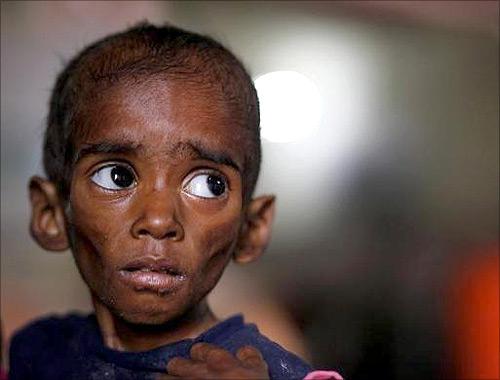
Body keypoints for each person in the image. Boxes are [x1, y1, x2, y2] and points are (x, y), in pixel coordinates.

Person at [8, 23, 342, 380]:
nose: (158, 219)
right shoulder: (38, 351)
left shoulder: (266, 373)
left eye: (209, 184)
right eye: (116, 177)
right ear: (52, 214)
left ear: (251, 228)